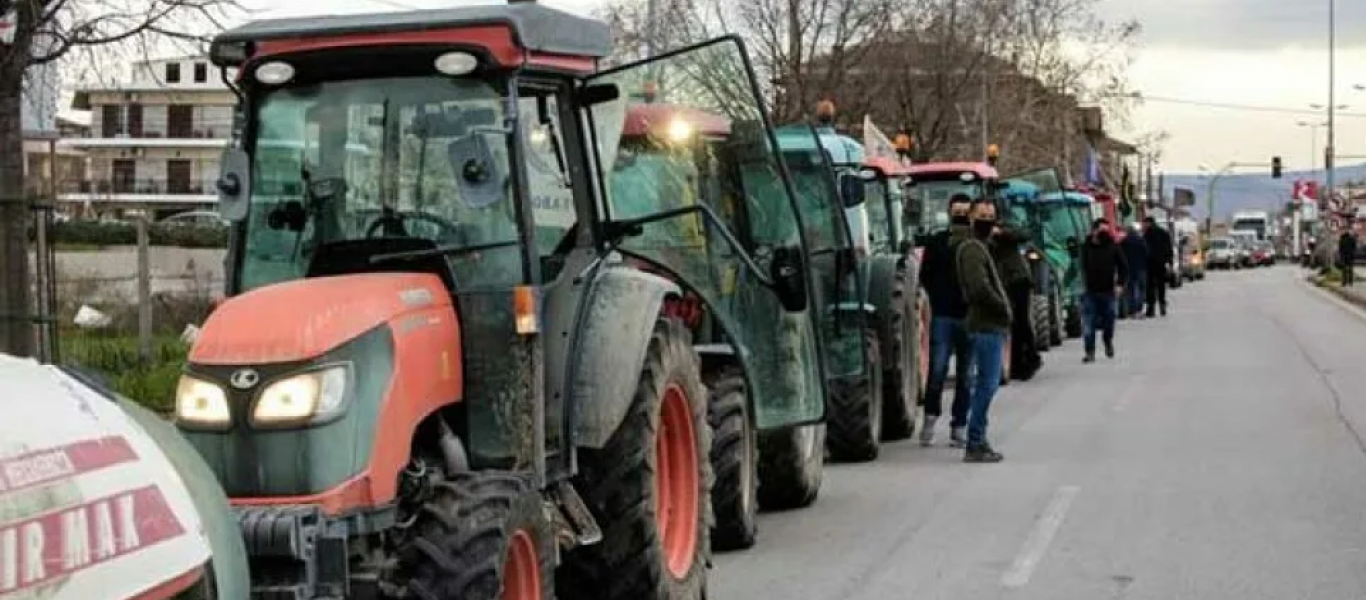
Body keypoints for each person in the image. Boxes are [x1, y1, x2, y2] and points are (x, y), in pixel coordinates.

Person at [953, 198, 1011, 463]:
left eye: (991, 215)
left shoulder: (982, 247)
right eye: (982, 215)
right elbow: (978, 288)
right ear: (971, 218)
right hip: (986, 324)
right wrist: (1002, 308)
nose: (988, 220)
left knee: (986, 385)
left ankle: (979, 439)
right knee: (985, 386)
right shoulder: (972, 248)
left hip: (991, 324)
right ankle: (974, 441)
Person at [917, 194, 974, 447]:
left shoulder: (976, 243)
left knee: (965, 375)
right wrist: (938, 299)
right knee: (938, 370)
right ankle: (929, 419)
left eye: (965, 211)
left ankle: (959, 425)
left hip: (970, 318)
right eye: (957, 211)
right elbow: (925, 275)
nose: (960, 215)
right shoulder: (937, 242)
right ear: (949, 212)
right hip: (943, 316)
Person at [990, 221, 1041, 380]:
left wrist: (1001, 232)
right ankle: (1016, 362)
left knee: (1020, 320)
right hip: (1000, 281)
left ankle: (1031, 357)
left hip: (1017, 279)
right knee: (1009, 323)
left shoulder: (1004, 229)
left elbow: (1023, 235)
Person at [1079, 218, 1127, 362]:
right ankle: (1089, 351)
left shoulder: (1113, 246)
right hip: (1090, 292)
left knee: (1109, 321)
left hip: (1108, 291)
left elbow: (1124, 267)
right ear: (1094, 231)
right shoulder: (1086, 247)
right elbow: (1080, 267)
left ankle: (1107, 341)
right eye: (1102, 230)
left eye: (1107, 230)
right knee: (1088, 324)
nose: (1105, 233)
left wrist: (1120, 284)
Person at [1141, 217, 1174, 317]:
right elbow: (1169, 248)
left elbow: (1145, 249)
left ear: (1149, 223)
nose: (1143, 226)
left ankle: (1151, 310)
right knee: (1161, 286)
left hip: (1150, 263)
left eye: (1144, 223)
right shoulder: (1164, 233)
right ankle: (1162, 306)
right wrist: (1169, 262)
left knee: (1150, 287)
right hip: (1162, 263)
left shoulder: (1147, 234)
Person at [1119, 224, 1148, 319]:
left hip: (1128, 269)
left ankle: (1132, 310)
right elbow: (1147, 253)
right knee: (1141, 289)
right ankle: (1139, 309)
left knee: (1130, 290)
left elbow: (1120, 256)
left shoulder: (1123, 242)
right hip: (1141, 268)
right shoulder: (1141, 241)